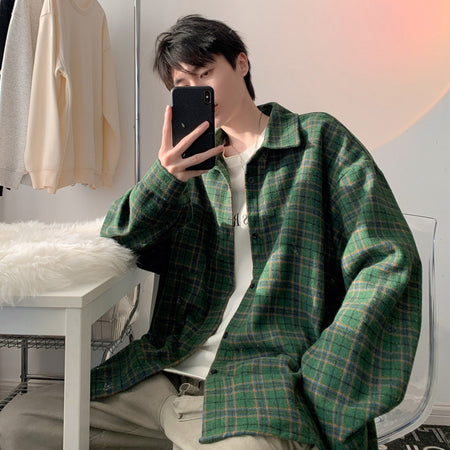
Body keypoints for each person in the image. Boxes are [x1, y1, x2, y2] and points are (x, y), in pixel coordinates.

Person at [0, 14, 421, 450]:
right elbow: (121, 239)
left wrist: (322, 382)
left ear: (241, 64)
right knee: (17, 425)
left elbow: (388, 260)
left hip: (259, 383)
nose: (196, 90)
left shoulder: (317, 142)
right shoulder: (187, 172)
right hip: (162, 375)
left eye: (204, 73)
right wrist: (165, 178)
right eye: (182, 84)